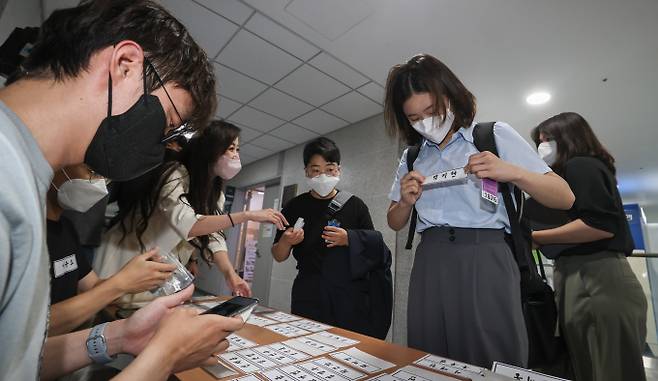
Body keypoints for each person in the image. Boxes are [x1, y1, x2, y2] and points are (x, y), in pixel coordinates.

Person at [0, 1, 243, 380]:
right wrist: (163, 357)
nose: (160, 144)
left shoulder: (22, 176)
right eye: (167, 124)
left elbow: (14, 356)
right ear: (125, 65)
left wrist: (120, 336)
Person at [383, 54, 575, 368]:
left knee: (491, 355)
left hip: (484, 254)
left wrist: (511, 172)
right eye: (414, 118)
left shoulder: (492, 135)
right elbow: (394, 221)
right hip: (429, 258)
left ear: (450, 96)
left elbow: (564, 197)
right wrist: (405, 202)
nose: (425, 122)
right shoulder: (413, 156)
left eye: (431, 110)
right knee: (429, 355)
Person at [95, 120, 287, 301]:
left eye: (237, 149)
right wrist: (247, 215)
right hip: (125, 255)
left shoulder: (214, 193)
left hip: (153, 266)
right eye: (230, 149)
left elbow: (213, 236)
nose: (236, 155)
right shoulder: (175, 174)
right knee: (101, 310)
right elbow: (188, 223)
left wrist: (231, 274)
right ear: (212, 150)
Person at [530, 112, 647, 381]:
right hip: (584, 277)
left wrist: (538, 238)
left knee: (609, 370)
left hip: (596, 277)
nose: (542, 146)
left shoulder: (581, 165)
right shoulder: (579, 171)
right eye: (540, 140)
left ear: (568, 138)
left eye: (548, 139)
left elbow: (599, 225)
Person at [271, 137, 386, 336]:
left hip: (348, 293)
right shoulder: (294, 206)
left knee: (347, 346)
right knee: (305, 343)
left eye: (330, 169)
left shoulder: (355, 205)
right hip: (309, 290)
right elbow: (278, 255)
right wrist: (286, 241)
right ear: (306, 171)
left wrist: (349, 238)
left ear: (339, 170)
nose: (323, 175)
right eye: (315, 170)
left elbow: (374, 247)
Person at [47, 164, 178, 336]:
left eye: (104, 177)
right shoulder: (28, 236)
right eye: (92, 172)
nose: (99, 183)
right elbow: (35, 325)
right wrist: (120, 284)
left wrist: (133, 278)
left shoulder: (66, 228)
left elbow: (91, 285)